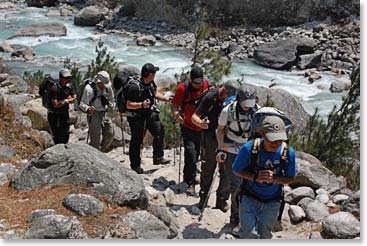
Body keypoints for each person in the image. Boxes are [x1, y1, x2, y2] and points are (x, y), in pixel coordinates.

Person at [232, 115, 296, 239]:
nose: (275, 143)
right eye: (272, 139)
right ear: (262, 134)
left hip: (273, 201)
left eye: (279, 140)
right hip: (249, 197)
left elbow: (290, 178)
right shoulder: (249, 148)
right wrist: (255, 177)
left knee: (265, 234)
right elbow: (236, 170)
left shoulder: (288, 153)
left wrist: (275, 179)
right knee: (249, 233)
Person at [191, 80, 240, 210]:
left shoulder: (234, 101)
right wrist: (201, 123)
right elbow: (194, 116)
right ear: (223, 91)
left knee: (226, 171)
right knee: (208, 168)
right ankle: (203, 198)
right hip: (210, 137)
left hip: (228, 138)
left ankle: (222, 200)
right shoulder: (210, 97)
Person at [216, 86, 259, 230]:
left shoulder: (257, 111)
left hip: (248, 149)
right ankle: (235, 219)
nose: (247, 107)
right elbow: (220, 130)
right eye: (245, 103)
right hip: (230, 149)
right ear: (239, 99)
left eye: (250, 104)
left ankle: (246, 215)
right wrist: (220, 149)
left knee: (247, 184)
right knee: (236, 185)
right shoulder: (227, 111)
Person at [126, 63, 171, 174]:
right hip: (136, 117)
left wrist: (166, 99)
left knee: (159, 130)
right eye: (154, 73)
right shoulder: (134, 87)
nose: (155, 74)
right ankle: (135, 165)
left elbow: (154, 93)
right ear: (150, 74)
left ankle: (158, 157)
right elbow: (128, 104)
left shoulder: (151, 83)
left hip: (149, 113)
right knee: (137, 140)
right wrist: (141, 105)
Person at [171, 66, 209, 196]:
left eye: (199, 82)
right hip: (187, 126)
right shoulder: (183, 89)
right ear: (190, 80)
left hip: (203, 127)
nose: (198, 85)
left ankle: (190, 176)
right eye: (195, 82)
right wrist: (177, 116)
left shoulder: (207, 86)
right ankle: (190, 182)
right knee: (191, 154)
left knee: (197, 154)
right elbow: (174, 105)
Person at [79, 71, 115, 152]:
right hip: (94, 114)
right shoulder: (89, 89)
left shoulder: (107, 87)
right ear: (99, 81)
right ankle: (94, 153)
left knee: (110, 133)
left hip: (105, 113)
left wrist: (111, 105)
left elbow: (111, 99)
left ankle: (102, 149)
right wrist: (88, 109)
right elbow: (82, 104)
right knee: (96, 138)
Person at [47, 68, 75, 144]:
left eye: (68, 78)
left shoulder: (69, 86)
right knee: (56, 135)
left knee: (65, 134)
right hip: (54, 114)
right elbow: (55, 104)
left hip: (64, 113)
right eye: (65, 78)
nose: (67, 79)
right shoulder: (55, 88)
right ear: (61, 78)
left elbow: (73, 97)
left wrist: (67, 100)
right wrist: (66, 100)